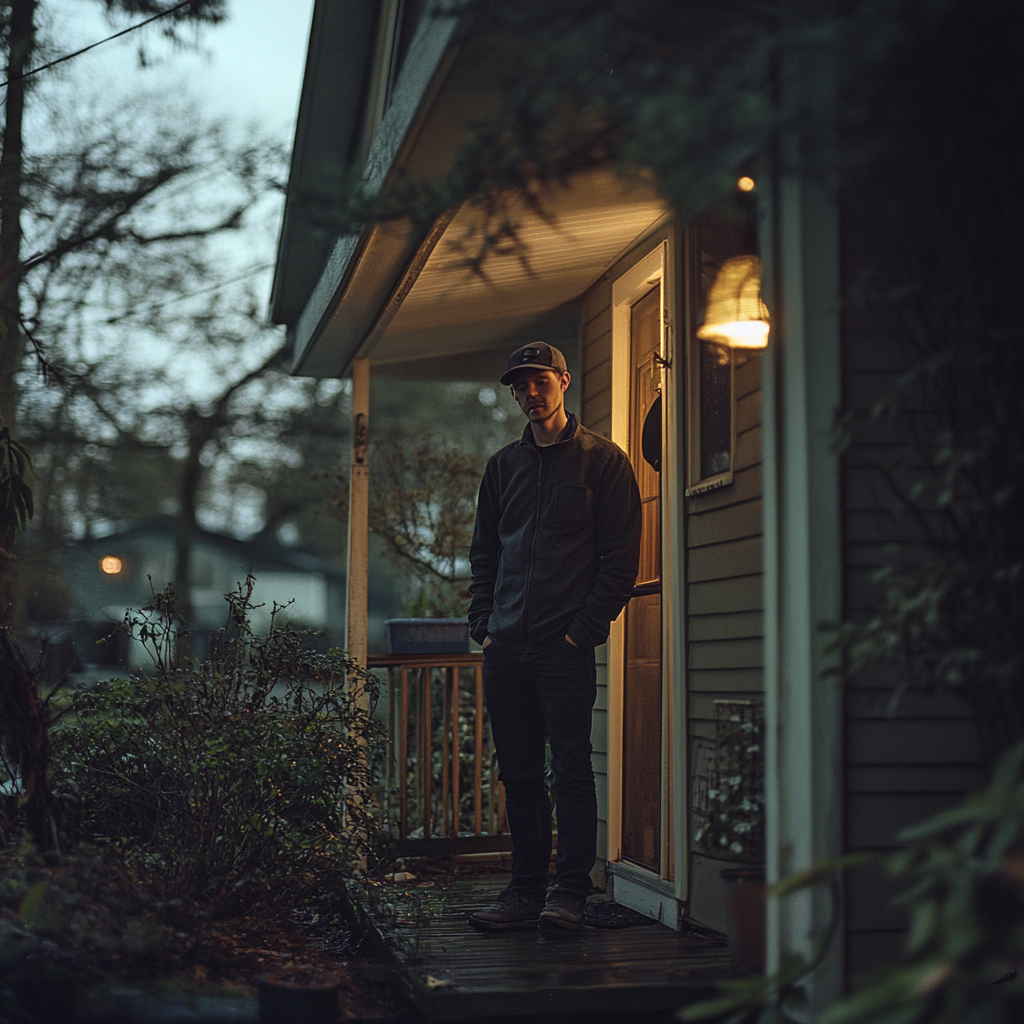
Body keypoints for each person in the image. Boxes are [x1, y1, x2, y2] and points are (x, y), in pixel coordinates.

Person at [467, 342, 641, 932]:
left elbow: (620, 560)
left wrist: (581, 633)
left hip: (562, 650)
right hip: (506, 648)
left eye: (540, 382)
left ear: (564, 381)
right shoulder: (502, 467)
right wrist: (482, 627)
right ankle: (523, 892)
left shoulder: (603, 462)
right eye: (520, 386)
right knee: (518, 772)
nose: (530, 394)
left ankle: (569, 893)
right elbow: (485, 553)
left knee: (569, 768)